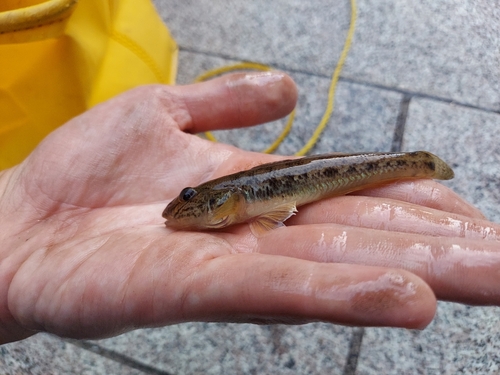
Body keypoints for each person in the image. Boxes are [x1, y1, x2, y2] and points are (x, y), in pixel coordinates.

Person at [0, 71, 499, 345]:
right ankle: (413, 163)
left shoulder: (231, 200)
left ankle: (413, 164)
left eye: (194, 201)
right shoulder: (223, 202)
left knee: (397, 182)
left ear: (221, 202)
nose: (183, 208)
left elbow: (264, 209)